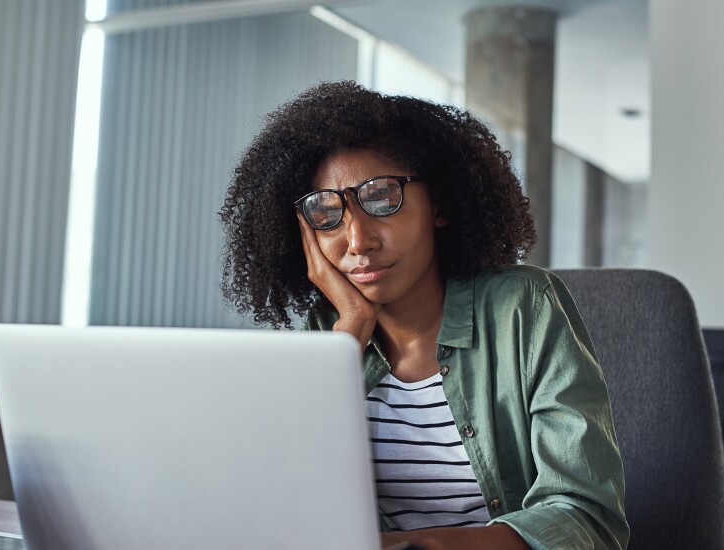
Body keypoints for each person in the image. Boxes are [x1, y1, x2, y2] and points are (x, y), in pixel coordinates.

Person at [220, 81, 629, 550]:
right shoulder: (326, 336)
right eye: (327, 213)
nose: (358, 241)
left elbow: (586, 518)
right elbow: (278, 505)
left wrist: (419, 548)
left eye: (382, 198)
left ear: (439, 203)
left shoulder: (523, 308)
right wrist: (348, 332)